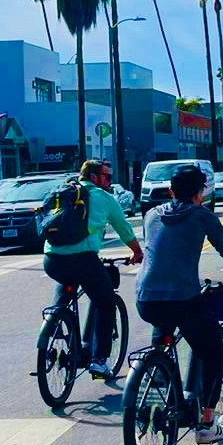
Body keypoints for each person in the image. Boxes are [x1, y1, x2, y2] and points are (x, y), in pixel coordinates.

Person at [137, 165, 223, 444]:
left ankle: (156, 387)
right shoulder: (202, 216)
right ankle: (205, 424)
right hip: (182, 298)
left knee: (163, 341)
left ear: (170, 191)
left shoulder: (151, 214)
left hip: (146, 298)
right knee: (214, 352)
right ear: (200, 193)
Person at [43, 159, 144, 381]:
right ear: (95, 177)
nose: (110, 181)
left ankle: (56, 321)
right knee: (106, 304)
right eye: (107, 177)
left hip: (51, 259)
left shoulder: (63, 191)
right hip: (84, 260)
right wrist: (137, 252)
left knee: (66, 283)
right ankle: (99, 361)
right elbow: (124, 228)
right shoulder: (105, 198)